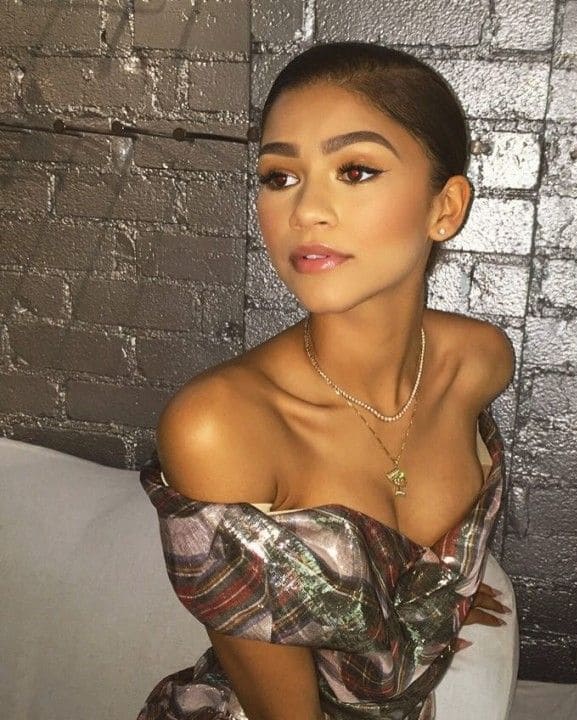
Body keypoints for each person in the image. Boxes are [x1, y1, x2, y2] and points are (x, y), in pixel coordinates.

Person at [137, 41, 515, 720]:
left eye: (355, 170)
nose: (306, 209)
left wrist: (430, 603)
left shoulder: (478, 363)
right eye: (280, 176)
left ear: (446, 207)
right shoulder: (221, 427)